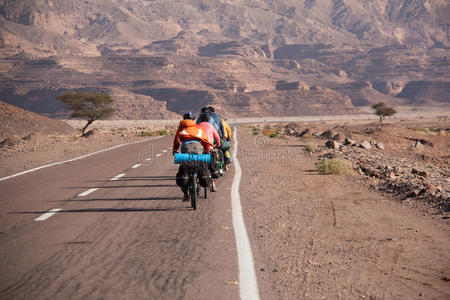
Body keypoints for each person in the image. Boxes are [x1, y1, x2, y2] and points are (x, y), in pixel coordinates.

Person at [173, 112, 212, 201]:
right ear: (193, 119)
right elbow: (205, 140)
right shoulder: (198, 127)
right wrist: (207, 150)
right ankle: (198, 179)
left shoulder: (181, 127)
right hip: (197, 146)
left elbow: (176, 140)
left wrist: (174, 150)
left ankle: (186, 194)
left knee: (184, 167)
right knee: (199, 164)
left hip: (185, 147)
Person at [197, 113, 221, 191]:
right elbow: (217, 137)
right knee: (213, 164)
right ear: (209, 119)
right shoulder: (211, 126)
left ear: (200, 119)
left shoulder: (197, 126)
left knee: (197, 164)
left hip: (199, 149)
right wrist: (218, 144)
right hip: (209, 148)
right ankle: (213, 184)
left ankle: (197, 183)